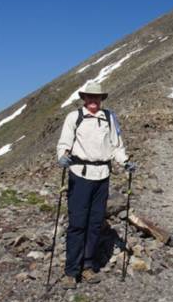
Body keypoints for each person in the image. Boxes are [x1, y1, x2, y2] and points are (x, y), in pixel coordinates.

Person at [56, 82, 136, 290]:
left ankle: (88, 266)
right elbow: (64, 144)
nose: (93, 102)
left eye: (97, 98)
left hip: (102, 176)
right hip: (80, 175)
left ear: (102, 99)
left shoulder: (109, 118)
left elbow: (116, 146)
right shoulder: (74, 117)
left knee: (95, 223)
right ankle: (71, 271)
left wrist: (125, 161)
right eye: (90, 98)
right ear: (84, 98)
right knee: (77, 224)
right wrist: (63, 156)